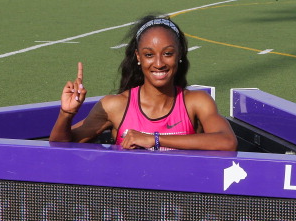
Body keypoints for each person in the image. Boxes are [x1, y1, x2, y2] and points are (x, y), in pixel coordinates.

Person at [49, 15, 237, 151]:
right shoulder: (115, 106)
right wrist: (66, 113)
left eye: (168, 53)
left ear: (179, 55)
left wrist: (154, 139)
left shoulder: (196, 102)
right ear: (138, 57)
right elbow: (59, 146)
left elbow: (227, 141)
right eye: (149, 55)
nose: (159, 63)